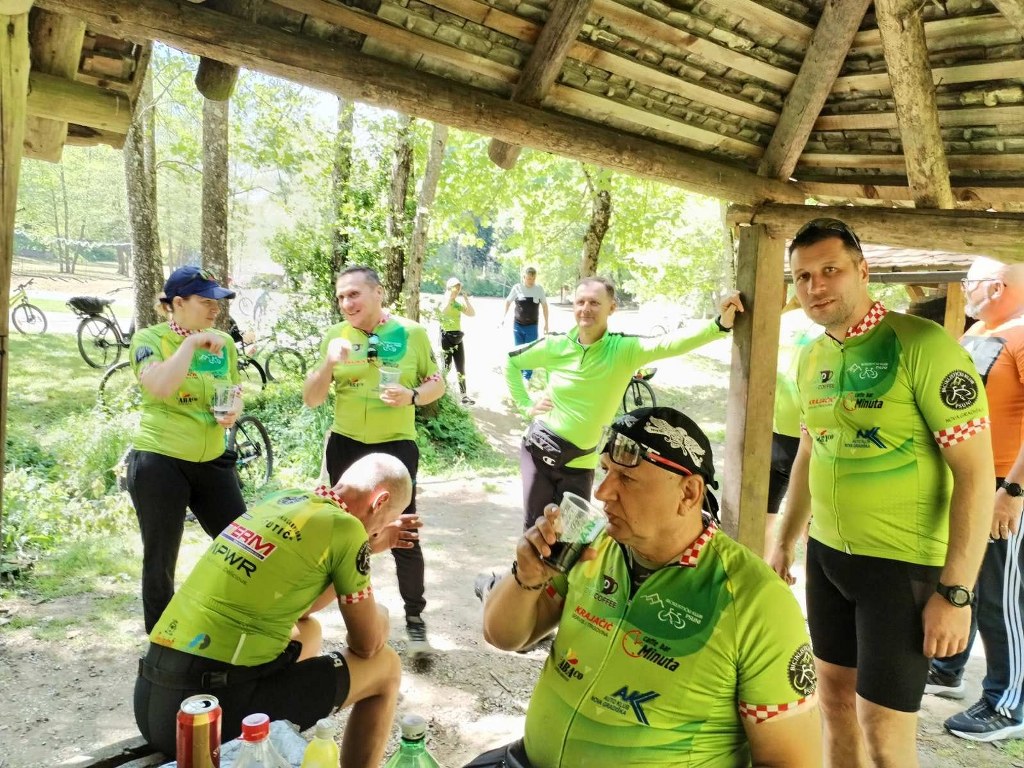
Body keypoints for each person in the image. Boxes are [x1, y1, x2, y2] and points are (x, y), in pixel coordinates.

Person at [467, 407, 821, 768]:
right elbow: (502, 636)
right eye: (605, 471)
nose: (602, 492)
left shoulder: (755, 600)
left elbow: (791, 762)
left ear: (689, 493)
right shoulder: (590, 544)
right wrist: (526, 578)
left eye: (627, 478)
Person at [769, 218, 995, 766]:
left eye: (830, 270)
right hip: (828, 559)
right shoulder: (810, 355)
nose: (816, 286)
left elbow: (975, 475)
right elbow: (809, 452)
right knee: (832, 703)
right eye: (803, 276)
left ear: (863, 271)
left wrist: (957, 593)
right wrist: (784, 539)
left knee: (885, 733)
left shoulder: (924, 345)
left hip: (901, 567)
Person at [134, 454, 413, 766]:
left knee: (308, 632)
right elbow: (367, 645)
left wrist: (366, 549)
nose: (379, 530)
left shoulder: (284, 500)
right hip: (210, 719)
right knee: (386, 666)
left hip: (154, 704)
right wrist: (382, 616)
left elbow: (302, 611)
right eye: (387, 520)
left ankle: (284, 736)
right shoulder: (347, 529)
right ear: (380, 501)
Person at [505, 275, 743, 531]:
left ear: (612, 308)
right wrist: (525, 404)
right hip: (539, 451)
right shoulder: (554, 345)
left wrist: (719, 325)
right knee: (534, 530)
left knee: (571, 535)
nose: (586, 308)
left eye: (594, 302)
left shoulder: (623, 350)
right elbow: (511, 362)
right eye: (580, 302)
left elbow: (669, 344)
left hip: (581, 463)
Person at [303, 265, 445, 657]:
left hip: (396, 448)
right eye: (341, 297)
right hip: (346, 447)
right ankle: (354, 619)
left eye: (353, 294)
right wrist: (328, 364)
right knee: (343, 534)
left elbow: (437, 383)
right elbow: (312, 398)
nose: (346, 303)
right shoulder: (336, 336)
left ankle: (415, 619)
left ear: (378, 293)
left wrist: (412, 396)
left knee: (403, 531)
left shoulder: (411, 333)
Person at [924, 257, 1024, 742]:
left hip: (1005, 485)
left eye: (970, 282)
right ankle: (948, 669)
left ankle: (1009, 703)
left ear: (997, 286)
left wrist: (1014, 492)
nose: (963, 290)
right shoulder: (979, 331)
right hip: (970, 480)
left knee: (1001, 598)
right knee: (962, 577)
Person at [127, 265, 245, 633]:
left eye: (217, 301)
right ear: (177, 303)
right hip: (161, 462)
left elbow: (234, 390)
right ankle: (161, 639)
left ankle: (236, 620)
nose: (215, 309)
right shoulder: (148, 339)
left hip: (212, 459)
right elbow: (160, 386)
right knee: (161, 558)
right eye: (205, 301)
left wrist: (233, 410)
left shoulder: (223, 343)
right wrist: (190, 344)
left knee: (242, 545)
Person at [765, 302, 822, 555]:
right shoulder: (829, 324)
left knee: (765, 517)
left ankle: (761, 575)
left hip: (780, 431)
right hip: (804, 434)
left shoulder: (783, 319)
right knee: (812, 526)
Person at [502, 266, 549, 380]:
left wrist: (546, 323)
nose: (531, 281)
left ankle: (527, 377)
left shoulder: (539, 289)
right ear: (524, 277)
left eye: (533, 279)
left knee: (530, 352)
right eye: (528, 279)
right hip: (518, 326)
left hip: (532, 326)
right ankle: (520, 374)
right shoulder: (517, 288)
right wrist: (503, 317)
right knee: (519, 351)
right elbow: (508, 301)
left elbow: (544, 306)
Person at [440, 276, 476, 405]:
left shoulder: (456, 303)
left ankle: (464, 396)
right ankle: (441, 393)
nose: (457, 290)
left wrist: (466, 300)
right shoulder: (445, 301)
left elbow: (472, 313)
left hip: (458, 338)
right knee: (446, 367)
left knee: (461, 366)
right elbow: (442, 313)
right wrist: (450, 299)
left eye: (459, 288)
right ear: (449, 288)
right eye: (455, 287)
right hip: (446, 337)